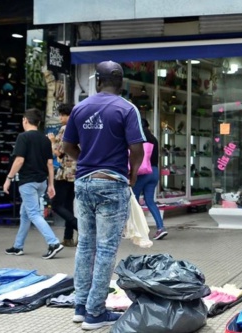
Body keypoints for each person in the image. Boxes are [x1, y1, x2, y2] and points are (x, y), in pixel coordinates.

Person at [62, 61, 145, 330]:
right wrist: (132, 174)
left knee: (86, 245)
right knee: (106, 249)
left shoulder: (80, 107)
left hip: (84, 183)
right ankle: (94, 313)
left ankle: (80, 306)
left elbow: (67, 146)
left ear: (98, 80)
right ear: (121, 82)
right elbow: (137, 149)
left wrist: (86, 159)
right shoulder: (126, 108)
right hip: (112, 183)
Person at [3, 108, 64, 259]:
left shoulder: (23, 137)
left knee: (34, 214)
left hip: (28, 182)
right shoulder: (45, 139)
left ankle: (53, 243)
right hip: (41, 182)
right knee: (25, 214)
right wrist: (51, 185)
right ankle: (18, 246)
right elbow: (50, 164)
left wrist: (8, 178)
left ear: (25, 120)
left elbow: (19, 160)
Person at [49, 103, 79, 247]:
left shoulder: (65, 129)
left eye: (63, 115)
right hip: (77, 171)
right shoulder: (80, 127)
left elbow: (59, 152)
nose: (60, 118)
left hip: (65, 172)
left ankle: (80, 227)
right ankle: (68, 237)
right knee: (68, 204)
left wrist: (52, 142)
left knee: (56, 204)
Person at [133, 118, 167, 240]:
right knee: (150, 201)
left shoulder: (139, 138)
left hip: (143, 172)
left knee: (134, 201)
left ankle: (138, 229)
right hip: (154, 172)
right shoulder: (154, 138)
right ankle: (160, 228)